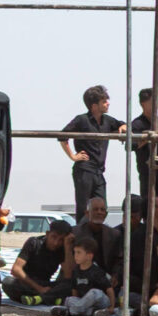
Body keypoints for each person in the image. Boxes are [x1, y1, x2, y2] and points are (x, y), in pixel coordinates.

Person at [57, 87, 122, 218]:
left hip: (99, 171)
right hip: (84, 170)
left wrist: (123, 126)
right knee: (83, 208)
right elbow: (62, 136)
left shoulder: (107, 121)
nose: (107, 103)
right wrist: (72, 156)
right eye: (104, 101)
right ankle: (81, 236)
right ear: (94, 106)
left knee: (102, 207)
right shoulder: (81, 120)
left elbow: (122, 124)